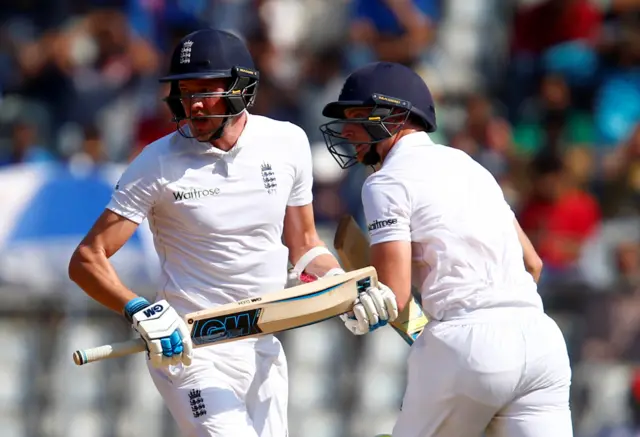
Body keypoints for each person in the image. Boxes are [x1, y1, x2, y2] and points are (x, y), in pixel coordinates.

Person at [68, 29, 397, 437]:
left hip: (263, 346)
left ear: (242, 88)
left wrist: (340, 288)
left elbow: (304, 246)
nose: (194, 104)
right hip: (189, 350)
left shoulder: (287, 143)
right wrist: (138, 310)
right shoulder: (155, 163)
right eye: (185, 91)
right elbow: (87, 258)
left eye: (206, 90)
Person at [319, 61, 573, 437]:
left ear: (398, 115)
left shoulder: (385, 182)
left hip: (465, 344)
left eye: (359, 115)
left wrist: (362, 308)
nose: (348, 129)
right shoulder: (470, 166)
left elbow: (395, 294)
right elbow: (531, 263)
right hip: (542, 343)